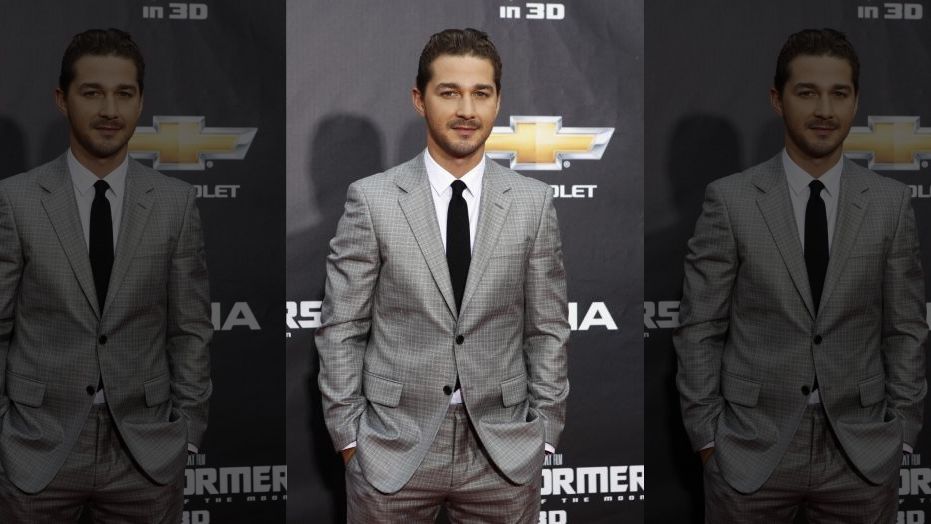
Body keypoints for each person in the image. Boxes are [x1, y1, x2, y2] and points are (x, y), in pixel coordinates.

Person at [316, 27, 569, 523]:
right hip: (391, 448)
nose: (466, 110)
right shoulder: (372, 200)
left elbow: (548, 328)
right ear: (419, 99)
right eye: (449, 92)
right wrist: (350, 438)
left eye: (481, 93)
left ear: (498, 102)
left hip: (503, 452)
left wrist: (543, 433)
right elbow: (341, 327)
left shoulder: (533, 204)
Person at [674, 28, 927, 523]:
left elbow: (906, 329)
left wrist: (900, 433)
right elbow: (700, 327)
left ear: (856, 103)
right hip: (749, 452)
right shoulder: (731, 200)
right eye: (807, 92)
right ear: (777, 99)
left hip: (861, 454)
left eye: (839, 94)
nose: (824, 110)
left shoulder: (891, 205)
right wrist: (708, 438)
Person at [0, 28, 211, 522]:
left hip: (145, 454)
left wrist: (186, 432)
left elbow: (191, 329)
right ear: (62, 99)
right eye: (92, 92)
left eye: (124, 93)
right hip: (36, 449)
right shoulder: (16, 201)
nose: (109, 110)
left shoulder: (175, 204)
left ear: (141, 103)